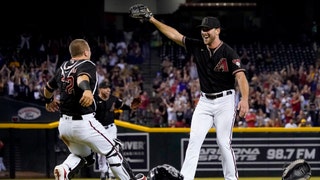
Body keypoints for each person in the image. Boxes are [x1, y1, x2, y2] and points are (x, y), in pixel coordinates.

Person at [142, 14, 250, 180]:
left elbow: (241, 77)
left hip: (225, 102)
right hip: (205, 101)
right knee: (194, 142)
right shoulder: (198, 46)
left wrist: (244, 99)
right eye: (202, 30)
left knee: (223, 142)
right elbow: (174, 35)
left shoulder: (228, 52)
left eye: (207, 29)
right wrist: (152, 19)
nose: (204, 32)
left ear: (218, 30)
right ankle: (185, 178)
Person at [43, 39, 145, 180]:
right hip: (83, 123)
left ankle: (65, 169)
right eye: (89, 50)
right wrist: (86, 90)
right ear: (85, 52)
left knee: (85, 156)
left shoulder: (63, 67)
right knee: (114, 150)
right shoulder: (87, 64)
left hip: (64, 125)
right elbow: (82, 78)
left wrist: (48, 101)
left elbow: (48, 87)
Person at [95, 80, 136, 180]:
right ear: (100, 89)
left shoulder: (113, 99)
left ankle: (111, 173)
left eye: (109, 88)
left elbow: (122, 106)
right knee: (101, 152)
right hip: (99, 128)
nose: (108, 90)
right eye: (106, 88)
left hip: (111, 127)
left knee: (113, 149)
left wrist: (131, 107)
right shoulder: (94, 99)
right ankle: (103, 172)